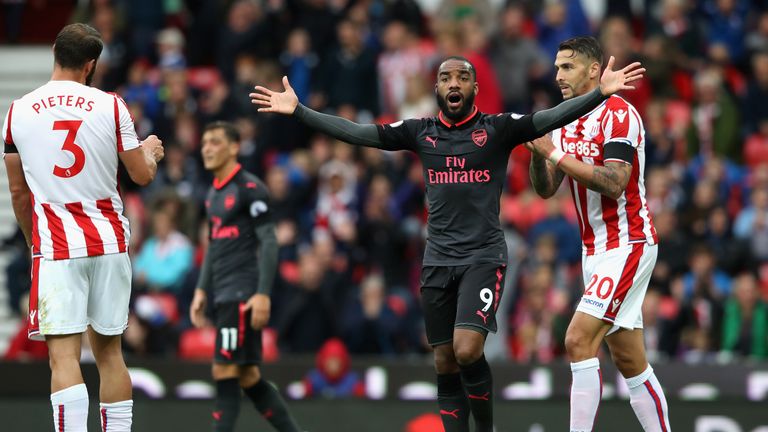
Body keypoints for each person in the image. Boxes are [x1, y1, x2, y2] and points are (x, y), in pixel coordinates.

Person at [250, 55, 644, 432]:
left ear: (474, 87)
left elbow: (550, 117)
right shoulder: (421, 132)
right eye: (445, 78)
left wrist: (599, 93)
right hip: (437, 259)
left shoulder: (498, 128)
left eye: (462, 77)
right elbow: (359, 133)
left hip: (483, 256)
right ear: (436, 87)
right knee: (444, 360)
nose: (453, 83)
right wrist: (300, 111)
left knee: (467, 349)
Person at [1, 23, 164, 432]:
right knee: (110, 355)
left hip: (57, 246)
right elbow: (141, 175)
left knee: (64, 358)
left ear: (54, 53)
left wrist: (32, 239)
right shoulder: (111, 105)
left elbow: (19, 194)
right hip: (109, 242)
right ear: (91, 64)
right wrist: (151, 152)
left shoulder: (17, 112)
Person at [525, 36, 672, 431]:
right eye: (556, 67)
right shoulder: (562, 117)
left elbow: (614, 182)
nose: (557, 75)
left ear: (594, 70)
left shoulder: (620, 114)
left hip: (630, 243)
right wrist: (539, 156)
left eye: (567, 67)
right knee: (629, 360)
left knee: (576, 339)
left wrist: (555, 153)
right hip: (596, 252)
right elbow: (544, 188)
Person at [189, 121, 302, 432]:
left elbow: (269, 240)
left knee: (223, 371)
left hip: (242, 293)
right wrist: (201, 289)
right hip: (224, 293)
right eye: (204, 142)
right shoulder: (213, 194)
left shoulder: (250, 189)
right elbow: (213, 244)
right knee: (248, 375)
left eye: (214, 142)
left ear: (234, 147)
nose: (206, 148)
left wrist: (262, 292)